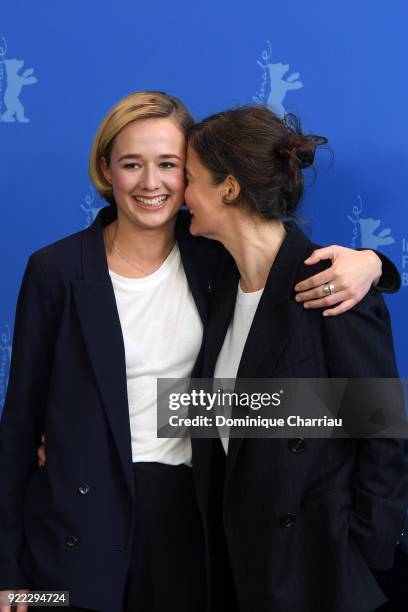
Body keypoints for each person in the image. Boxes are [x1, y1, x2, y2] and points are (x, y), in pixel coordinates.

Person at [0, 91, 399, 612]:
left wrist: (373, 263)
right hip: (72, 539)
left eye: (175, 168)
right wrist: (10, 574)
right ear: (106, 170)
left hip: (195, 529)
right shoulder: (55, 271)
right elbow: (19, 428)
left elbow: (363, 420)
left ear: (219, 184)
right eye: (131, 164)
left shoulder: (217, 264)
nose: (158, 185)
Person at [184, 105, 408, 612]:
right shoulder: (216, 283)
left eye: (190, 178)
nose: (180, 194)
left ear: (229, 188)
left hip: (320, 575)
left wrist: (361, 557)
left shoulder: (330, 286)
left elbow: (382, 437)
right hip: (239, 569)